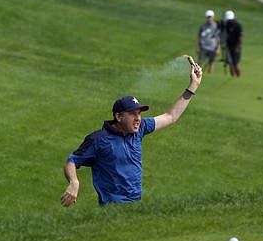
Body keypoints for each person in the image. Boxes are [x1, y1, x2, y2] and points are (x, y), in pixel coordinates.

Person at [61, 63, 202, 206]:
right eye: (132, 114)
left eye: (139, 114)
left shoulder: (139, 129)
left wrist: (193, 87)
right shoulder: (98, 139)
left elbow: (170, 116)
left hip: (136, 206)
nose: (138, 118)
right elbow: (71, 161)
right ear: (119, 117)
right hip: (112, 207)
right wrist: (74, 182)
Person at [223, 10, 243, 77]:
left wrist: (237, 47)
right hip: (228, 46)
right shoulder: (226, 25)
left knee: (236, 63)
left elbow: (240, 37)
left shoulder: (238, 25)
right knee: (230, 63)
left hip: (236, 47)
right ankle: (233, 77)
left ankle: (238, 76)